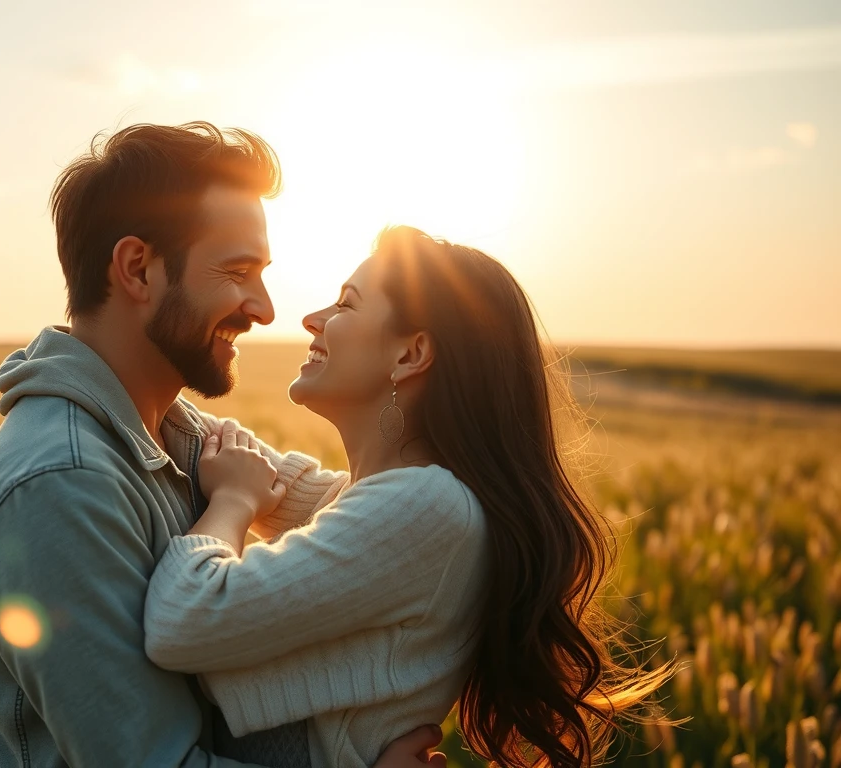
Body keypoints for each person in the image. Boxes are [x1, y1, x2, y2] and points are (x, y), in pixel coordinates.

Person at [0, 123, 445, 767]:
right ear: (137, 270)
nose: (264, 309)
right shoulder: (60, 484)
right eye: (237, 272)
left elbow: (364, 519)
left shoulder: (178, 436)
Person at [144, 226, 673, 768]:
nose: (312, 318)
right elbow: (249, 463)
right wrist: (102, 364)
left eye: (346, 304)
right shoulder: (382, 499)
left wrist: (232, 501)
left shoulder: (425, 506)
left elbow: (182, 622)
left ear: (410, 354)